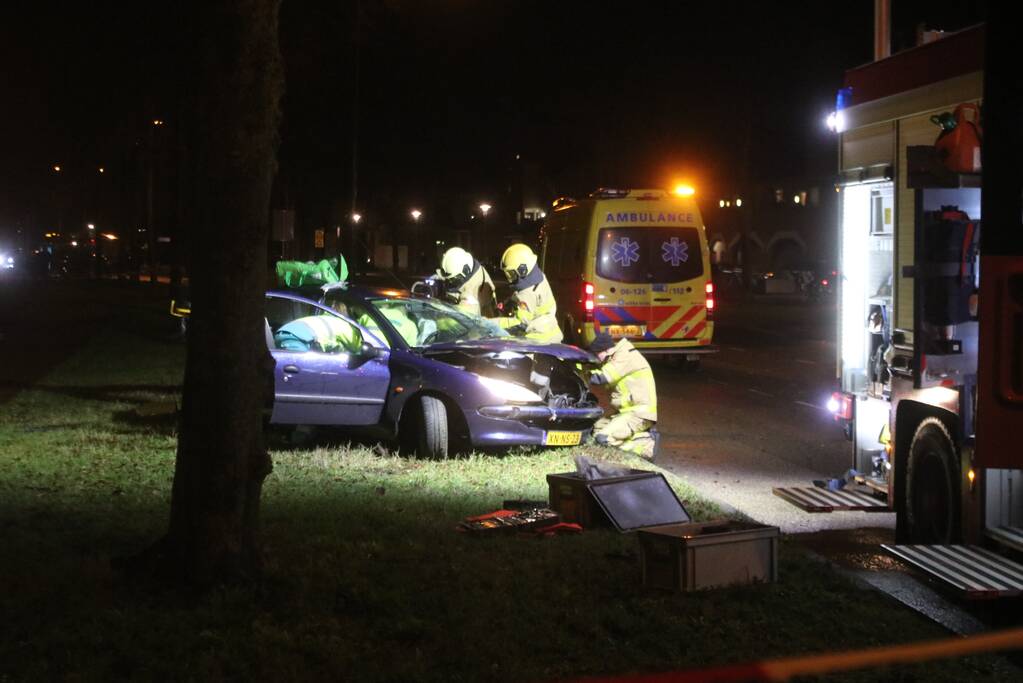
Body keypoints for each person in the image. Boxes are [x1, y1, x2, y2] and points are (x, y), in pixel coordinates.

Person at [588, 333, 659, 461]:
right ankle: (636, 436)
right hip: (626, 412)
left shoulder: (625, 356)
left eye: (597, 354)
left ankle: (644, 446)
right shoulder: (616, 355)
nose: (596, 358)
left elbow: (601, 378)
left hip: (639, 413)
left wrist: (579, 370)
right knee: (595, 429)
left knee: (602, 439)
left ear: (608, 350)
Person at [493, 243, 563, 343]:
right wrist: (507, 303)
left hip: (536, 343)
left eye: (511, 273)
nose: (509, 278)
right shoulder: (537, 277)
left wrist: (490, 324)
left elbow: (518, 324)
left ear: (523, 270)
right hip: (550, 333)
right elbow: (519, 296)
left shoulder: (527, 294)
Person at [436, 246, 498, 318]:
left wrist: (437, 320)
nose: (450, 282)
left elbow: (460, 319)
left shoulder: (471, 292)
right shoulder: (472, 268)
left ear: (465, 272)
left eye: (453, 279)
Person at [274, 314, 363, 354]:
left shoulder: (329, 317)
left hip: (282, 333)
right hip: (298, 339)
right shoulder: (347, 328)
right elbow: (358, 349)